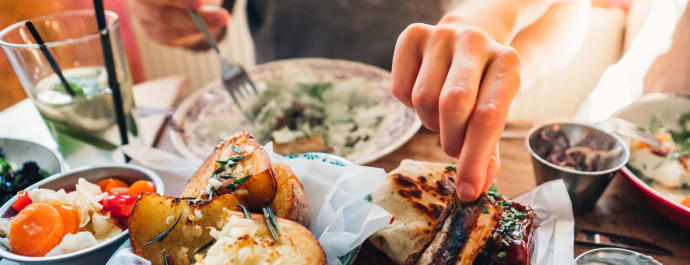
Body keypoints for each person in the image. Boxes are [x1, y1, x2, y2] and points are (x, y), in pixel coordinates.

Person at [131, 0, 590, 201]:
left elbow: (570, 7)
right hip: (269, 164)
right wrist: (173, 19)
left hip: (429, 141)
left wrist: (491, 33)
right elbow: (199, 18)